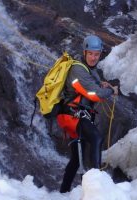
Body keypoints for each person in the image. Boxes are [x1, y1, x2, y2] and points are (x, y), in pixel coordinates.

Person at [56, 35, 118, 193]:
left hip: (73, 115)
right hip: (73, 115)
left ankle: (63, 192)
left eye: (96, 54)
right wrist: (110, 90)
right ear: (84, 52)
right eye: (90, 53)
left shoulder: (90, 70)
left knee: (77, 159)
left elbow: (95, 86)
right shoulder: (78, 69)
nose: (93, 57)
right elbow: (93, 94)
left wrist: (103, 85)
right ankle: (96, 188)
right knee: (96, 138)